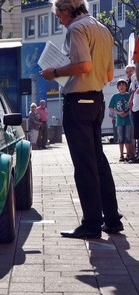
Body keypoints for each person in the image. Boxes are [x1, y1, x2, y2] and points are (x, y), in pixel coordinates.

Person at [40, 0, 123, 239]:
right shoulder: (101, 28)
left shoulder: (76, 29)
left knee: (84, 165)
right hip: (96, 100)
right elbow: (108, 73)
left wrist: (54, 72)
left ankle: (91, 223)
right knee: (98, 161)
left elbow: (84, 64)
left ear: (67, 10)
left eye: (58, 16)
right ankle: (113, 219)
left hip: (78, 101)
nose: (59, 20)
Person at [108, 79, 131, 162]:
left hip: (128, 120)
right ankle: (121, 155)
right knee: (120, 138)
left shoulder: (129, 95)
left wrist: (127, 113)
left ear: (126, 86)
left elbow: (132, 106)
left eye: (123, 85)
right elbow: (110, 107)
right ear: (118, 87)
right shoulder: (115, 96)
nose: (121, 86)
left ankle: (128, 155)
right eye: (120, 85)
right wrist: (118, 112)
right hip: (119, 120)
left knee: (127, 137)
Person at [128, 61, 139, 163]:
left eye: (130, 71)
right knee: (137, 133)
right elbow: (132, 91)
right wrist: (130, 101)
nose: (129, 73)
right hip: (135, 107)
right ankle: (137, 154)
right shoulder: (133, 79)